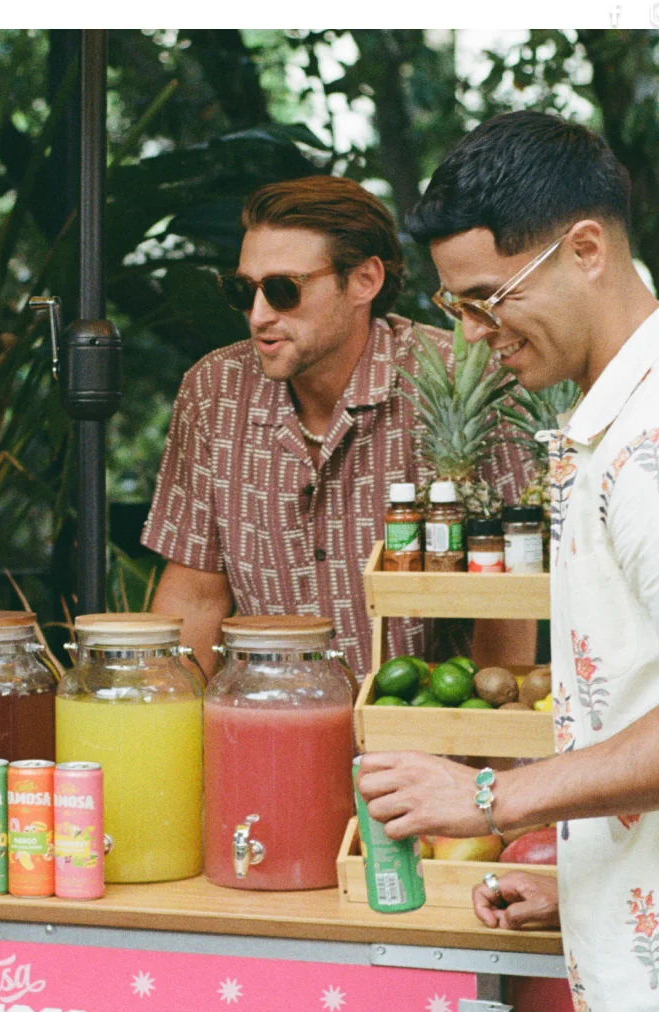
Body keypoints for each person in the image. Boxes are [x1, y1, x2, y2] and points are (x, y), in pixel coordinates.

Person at [357, 110, 659, 1012]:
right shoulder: (631, 423)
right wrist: (588, 878)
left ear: (586, 250)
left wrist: (493, 795)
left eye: (489, 298)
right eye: (455, 306)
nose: (469, 334)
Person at [143, 175, 535, 678]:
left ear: (365, 281)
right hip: (270, 726)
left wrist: (483, 742)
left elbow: (507, 602)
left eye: (283, 290)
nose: (259, 315)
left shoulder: (463, 382)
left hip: (427, 735)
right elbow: (196, 596)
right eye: (244, 291)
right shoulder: (213, 390)